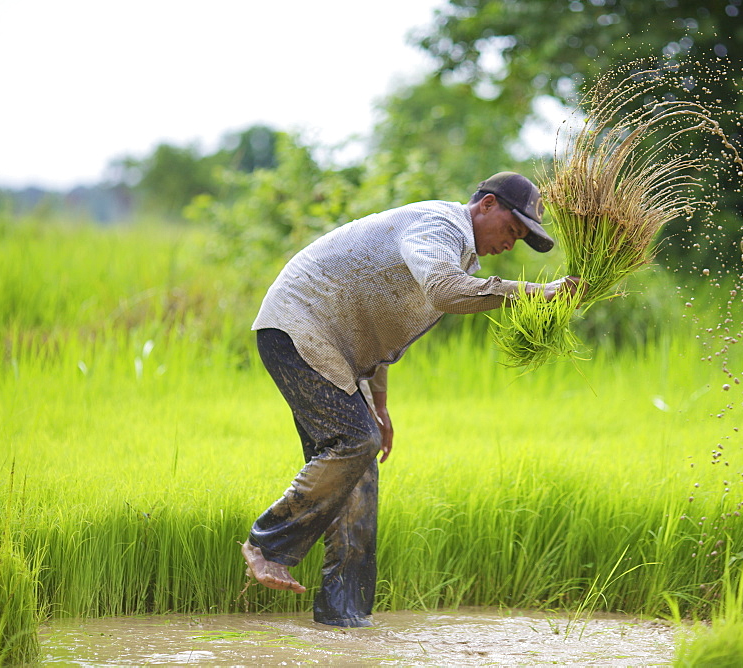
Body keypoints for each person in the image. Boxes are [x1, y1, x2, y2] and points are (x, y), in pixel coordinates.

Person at [241, 171, 580, 627]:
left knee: (360, 478)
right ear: (487, 205)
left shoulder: (457, 251)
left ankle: (345, 622)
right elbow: (443, 290)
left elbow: (378, 327)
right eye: (512, 231)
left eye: (519, 239)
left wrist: (379, 406)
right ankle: (268, 544)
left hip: (338, 349)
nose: (509, 244)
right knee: (354, 441)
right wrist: (537, 294)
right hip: (298, 327)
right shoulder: (440, 225)